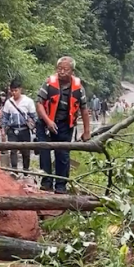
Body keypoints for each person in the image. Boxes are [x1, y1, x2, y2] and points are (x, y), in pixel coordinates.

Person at [35, 56, 91, 194]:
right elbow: (39, 104)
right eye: (59, 69)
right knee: (44, 152)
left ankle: (60, 186)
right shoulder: (49, 83)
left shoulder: (79, 88)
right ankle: (46, 182)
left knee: (63, 155)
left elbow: (84, 110)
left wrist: (86, 131)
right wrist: (48, 121)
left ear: (72, 71)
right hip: (45, 123)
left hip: (65, 125)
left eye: (65, 69)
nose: (62, 72)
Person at [1, 79, 37, 171]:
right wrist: (3, 130)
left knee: (26, 152)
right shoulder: (8, 103)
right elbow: (5, 117)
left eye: (16, 90)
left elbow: (34, 116)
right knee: (13, 151)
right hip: (12, 130)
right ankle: (14, 171)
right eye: (12, 91)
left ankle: (25, 170)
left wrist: (35, 127)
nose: (14, 93)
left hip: (24, 129)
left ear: (20, 90)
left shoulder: (28, 101)